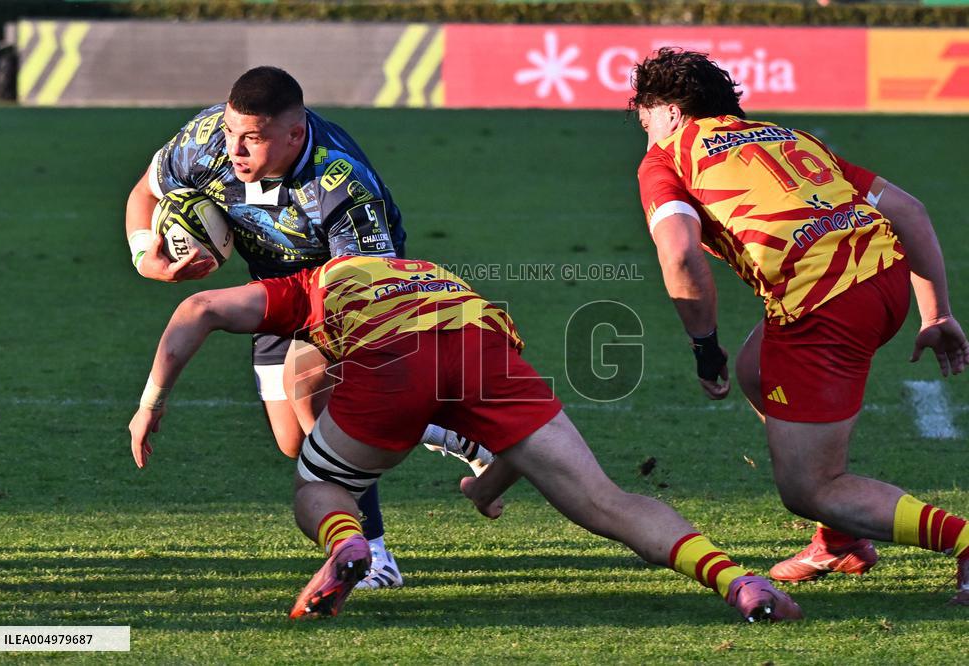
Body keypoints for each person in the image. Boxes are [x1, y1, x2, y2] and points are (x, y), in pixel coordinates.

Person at [127, 254, 802, 623]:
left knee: (318, 484)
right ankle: (735, 580)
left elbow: (201, 307)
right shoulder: (435, 274)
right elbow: (513, 440)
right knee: (605, 501)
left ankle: (347, 540)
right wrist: (484, 490)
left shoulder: (310, 285)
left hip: (392, 361)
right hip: (484, 347)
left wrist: (152, 402)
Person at [123, 65, 487, 590]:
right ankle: (445, 430)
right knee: (297, 444)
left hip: (354, 282)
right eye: (232, 131)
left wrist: (318, 356)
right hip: (272, 289)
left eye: (253, 138)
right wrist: (144, 257)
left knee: (313, 394)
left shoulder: (340, 182)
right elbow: (144, 192)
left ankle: (375, 555)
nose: (235, 150)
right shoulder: (204, 143)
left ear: (294, 134)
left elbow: (359, 296)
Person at [630, 47, 969, 603]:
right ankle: (840, 539)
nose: (644, 131)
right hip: (882, 277)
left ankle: (956, 539)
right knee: (755, 368)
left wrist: (703, 349)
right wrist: (936, 313)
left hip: (824, 307)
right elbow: (908, 210)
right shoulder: (786, 137)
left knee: (810, 487)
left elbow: (681, 259)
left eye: (643, 118)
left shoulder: (667, 158)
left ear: (666, 111)